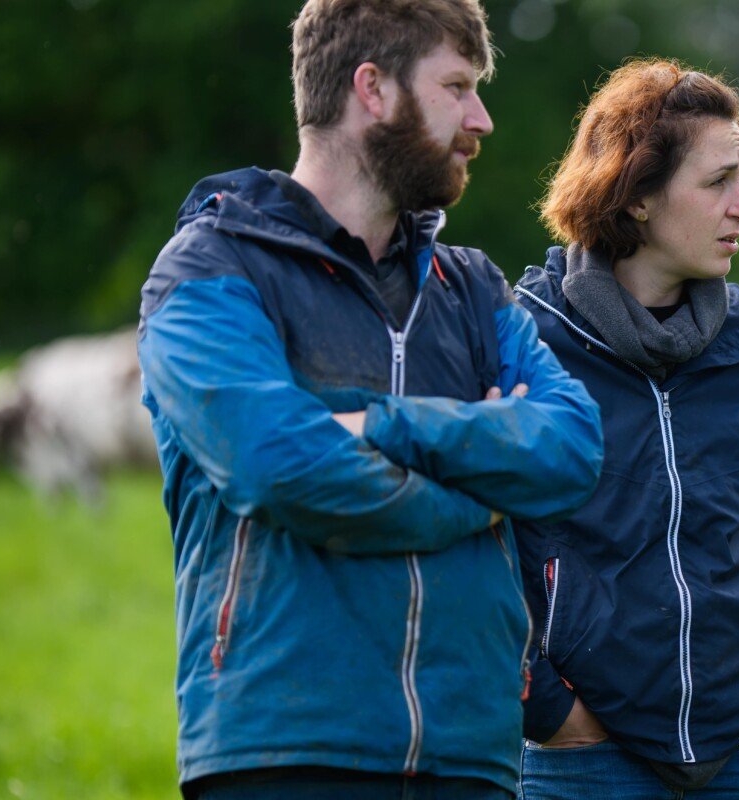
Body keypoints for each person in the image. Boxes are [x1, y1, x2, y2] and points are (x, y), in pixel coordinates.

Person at [135, 0, 605, 796]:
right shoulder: (209, 271)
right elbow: (281, 468)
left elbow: (573, 447)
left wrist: (383, 425)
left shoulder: (473, 288)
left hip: (471, 752)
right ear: (373, 89)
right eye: (457, 86)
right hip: (285, 750)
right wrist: (483, 495)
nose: (481, 118)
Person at [509, 59, 739, 800]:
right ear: (638, 199)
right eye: (719, 181)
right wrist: (551, 709)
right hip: (580, 754)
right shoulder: (525, 342)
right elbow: (498, 539)